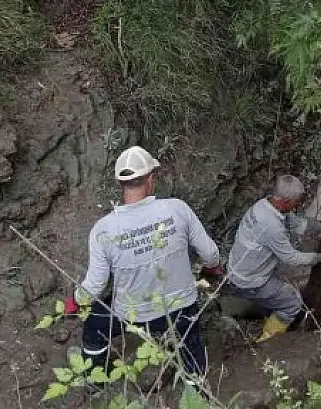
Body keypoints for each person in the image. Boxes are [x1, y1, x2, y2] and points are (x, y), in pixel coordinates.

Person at [64, 145, 222, 379]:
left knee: (94, 325)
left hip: (132, 315)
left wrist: (75, 302)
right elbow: (210, 253)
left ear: (120, 184)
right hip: (180, 308)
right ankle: (197, 387)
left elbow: (95, 285)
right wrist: (211, 269)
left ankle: (94, 379)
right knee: (192, 346)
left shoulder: (104, 230)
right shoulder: (178, 209)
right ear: (150, 179)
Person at [225, 175, 321, 342]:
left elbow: (294, 223)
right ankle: (267, 341)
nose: (299, 206)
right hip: (249, 280)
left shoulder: (264, 205)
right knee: (292, 303)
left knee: (284, 286)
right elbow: (291, 257)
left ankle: (267, 312)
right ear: (287, 202)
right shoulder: (272, 226)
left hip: (240, 269)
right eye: (297, 203)